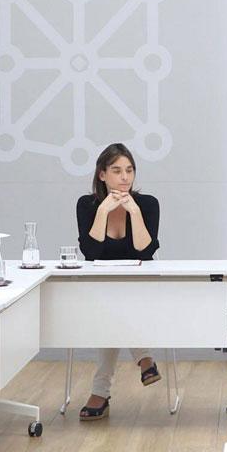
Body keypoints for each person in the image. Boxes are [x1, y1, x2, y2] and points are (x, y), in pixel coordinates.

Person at [74, 143, 162, 421]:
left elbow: (145, 252)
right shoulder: (86, 204)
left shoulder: (147, 204)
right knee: (111, 306)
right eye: (117, 171)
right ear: (102, 175)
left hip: (140, 287)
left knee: (111, 311)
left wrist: (134, 213)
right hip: (102, 287)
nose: (125, 177)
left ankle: (100, 392)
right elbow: (91, 253)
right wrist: (102, 212)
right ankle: (144, 359)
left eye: (129, 170)